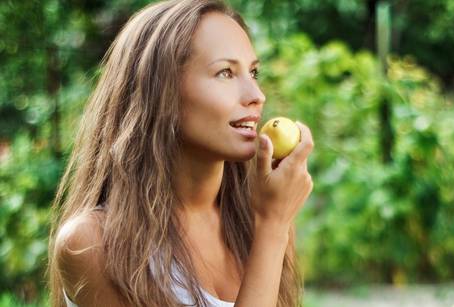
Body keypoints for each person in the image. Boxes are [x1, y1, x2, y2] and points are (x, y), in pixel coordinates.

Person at [47, 0, 314, 306]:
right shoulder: (93, 243)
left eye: (253, 73)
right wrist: (272, 226)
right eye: (225, 73)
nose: (257, 96)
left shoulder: (253, 219)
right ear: (161, 92)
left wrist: (273, 225)